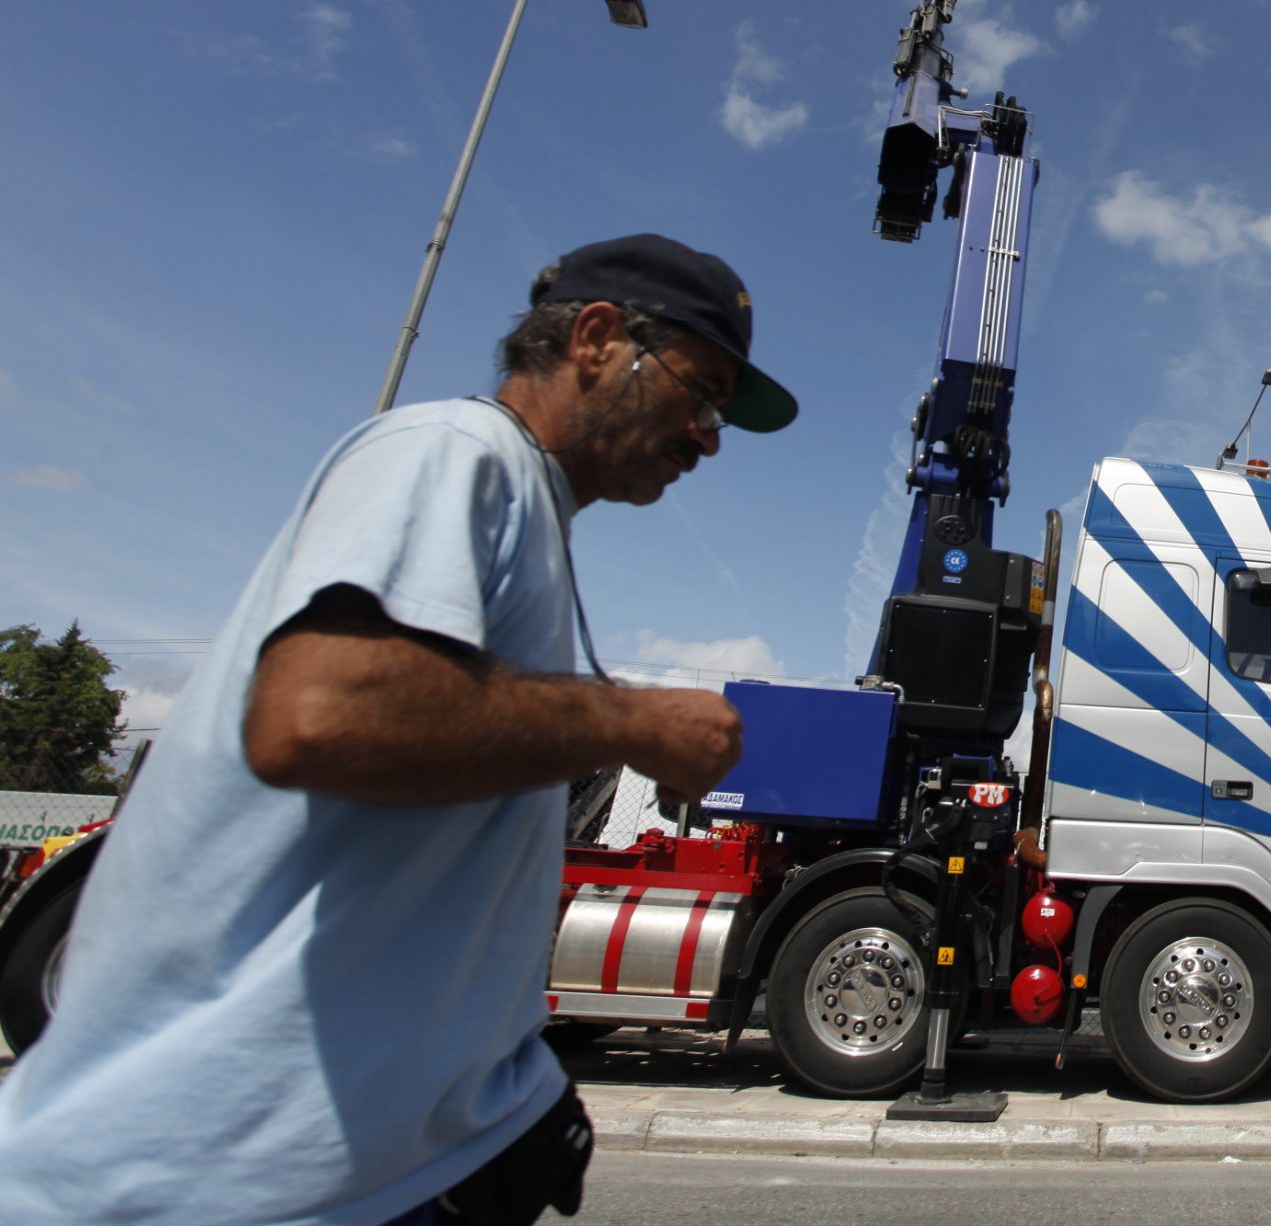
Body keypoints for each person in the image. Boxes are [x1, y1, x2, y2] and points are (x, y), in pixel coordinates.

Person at [0, 233, 798, 1225]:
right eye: (701, 389)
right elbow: (322, 713)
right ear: (597, 338)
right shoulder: (453, 453)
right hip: (215, 1189)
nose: (708, 434)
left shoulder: (528, 516)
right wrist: (630, 719)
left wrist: (501, 1099)